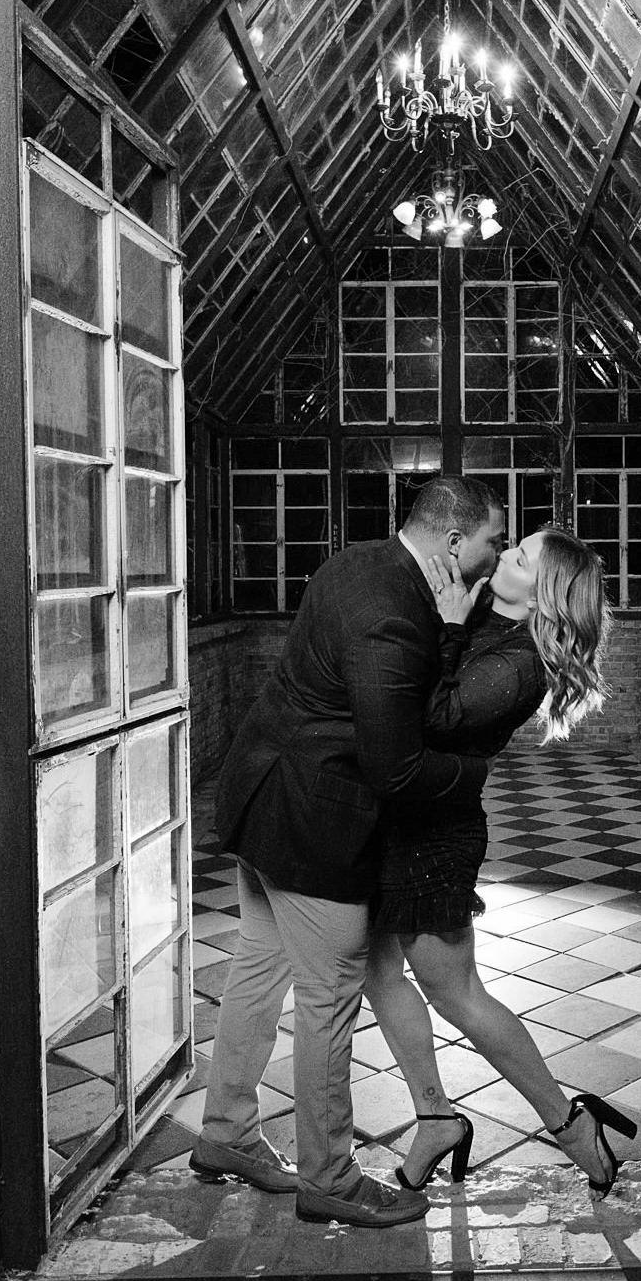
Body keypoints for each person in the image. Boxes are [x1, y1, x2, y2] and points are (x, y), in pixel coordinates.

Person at [189, 475, 509, 1228]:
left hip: (262, 797)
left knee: (257, 970)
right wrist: (472, 775)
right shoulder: (392, 615)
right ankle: (330, 1177)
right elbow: (396, 766)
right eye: (493, 541)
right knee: (329, 996)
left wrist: (451, 628)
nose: (497, 555)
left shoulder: (356, 561)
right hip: (313, 824)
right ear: (454, 541)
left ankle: (227, 1133)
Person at [359, 527, 638, 1197]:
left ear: (540, 593)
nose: (505, 554)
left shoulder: (520, 662)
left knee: (456, 992)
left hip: (436, 835)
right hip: (400, 817)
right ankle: (435, 1119)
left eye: (520, 557)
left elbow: (433, 716)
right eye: (511, 545)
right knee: (376, 971)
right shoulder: (486, 618)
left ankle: (569, 1123)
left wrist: (449, 627)